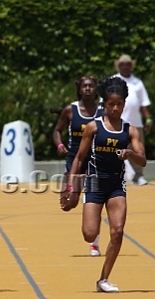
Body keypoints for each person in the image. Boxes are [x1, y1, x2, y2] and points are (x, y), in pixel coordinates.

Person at [62, 76, 146, 292]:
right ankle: (94, 211)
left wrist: (130, 154)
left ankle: (103, 279)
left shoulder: (130, 131)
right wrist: (70, 187)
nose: (115, 108)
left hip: (117, 185)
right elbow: (79, 159)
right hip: (95, 183)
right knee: (89, 234)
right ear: (104, 104)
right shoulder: (93, 127)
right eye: (111, 104)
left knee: (117, 231)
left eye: (119, 104)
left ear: (124, 104)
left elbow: (143, 160)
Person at [53, 76, 103, 256]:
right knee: (68, 204)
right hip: (75, 158)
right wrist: (59, 145)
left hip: (95, 160)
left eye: (91, 86)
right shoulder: (70, 110)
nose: (88, 89)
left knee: (93, 201)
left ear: (96, 89)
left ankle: (95, 243)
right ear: (80, 89)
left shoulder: (103, 111)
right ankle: (75, 190)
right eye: (85, 86)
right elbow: (57, 130)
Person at [114, 54, 152, 185]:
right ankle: (116, 176)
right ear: (119, 66)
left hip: (135, 122)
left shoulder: (138, 82)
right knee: (114, 148)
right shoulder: (113, 80)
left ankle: (139, 176)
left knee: (138, 149)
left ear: (131, 66)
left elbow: (144, 103)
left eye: (128, 65)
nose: (125, 67)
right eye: (123, 65)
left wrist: (148, 119)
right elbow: (104, 102)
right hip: (117, 122)